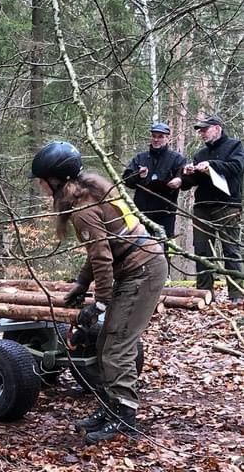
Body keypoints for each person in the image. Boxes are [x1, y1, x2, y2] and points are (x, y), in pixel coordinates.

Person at [29, 141, 168, 443]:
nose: (41, 188)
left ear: (56, 179)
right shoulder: (90, 191)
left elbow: (103, 258)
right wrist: (82, 283)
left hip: (143, 271)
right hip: (136, 268)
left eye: (42, 182)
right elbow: (100, 252)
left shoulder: (83, 208)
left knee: (117, 344)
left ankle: (124, 418)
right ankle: (110, 407)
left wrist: (100, 304)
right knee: (106, 342)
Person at [180, 114, 244, 303]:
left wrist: (211, 166)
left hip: (228, 206)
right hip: (202, 207)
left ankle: (236, 294)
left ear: (217, 128)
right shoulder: (200, 154)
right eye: (200, 130)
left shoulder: (235, 146)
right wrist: (188, 174)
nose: (201, 134)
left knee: (230, 249)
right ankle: (204, 293)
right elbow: (193, 183)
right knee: (201, 250)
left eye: (204, 129)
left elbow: (237, 167)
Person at [122, 121, 185, 256]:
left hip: (165, 213)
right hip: (142, 212)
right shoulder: (140, 158)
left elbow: (185, 178)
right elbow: (126, 180)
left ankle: (164, 276)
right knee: (139, 248)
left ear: (168, 138)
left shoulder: (176, 159)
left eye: (160, 136)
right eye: (154, 136)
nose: (156, 139)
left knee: (163, 249)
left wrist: (179, 180)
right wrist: (138, 176)